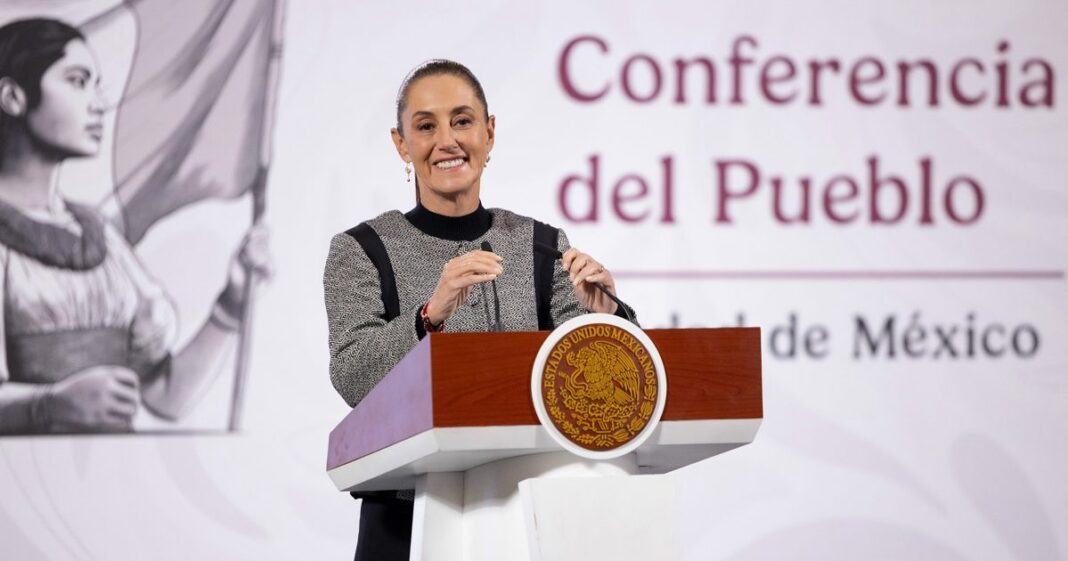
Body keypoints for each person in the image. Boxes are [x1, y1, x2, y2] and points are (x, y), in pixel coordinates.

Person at [323, 59, 635, 561]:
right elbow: (352, 376)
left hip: (529, 514)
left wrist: (607, 318)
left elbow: (593, 389)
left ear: (489, 134)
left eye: (462, 121)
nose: (446, 140)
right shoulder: (362, 249)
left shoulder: (539, 245)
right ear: (402, 144)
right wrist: (429, 318)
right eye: (426, 126)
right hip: (407, 520)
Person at [0, 18, 269, 434]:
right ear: (12, 97)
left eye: (96, 84)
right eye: (77, 81)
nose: (97, 103)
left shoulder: (100, 236)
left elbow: (166, 396)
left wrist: (231, 303)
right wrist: (48, 406)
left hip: (113, 482)